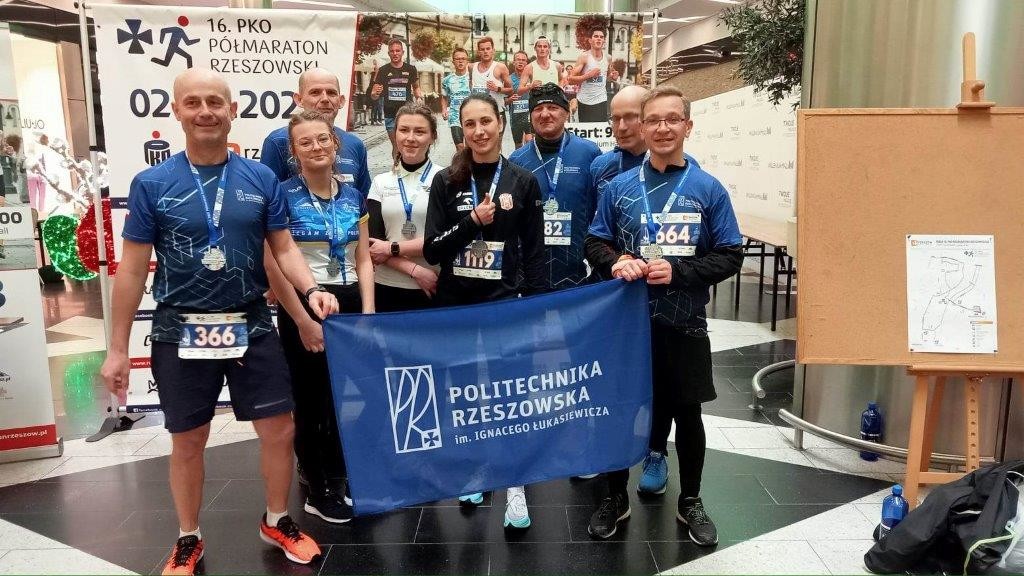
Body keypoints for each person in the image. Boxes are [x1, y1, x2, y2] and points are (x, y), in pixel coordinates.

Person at [100, 68, 336, 575]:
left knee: (280, 429)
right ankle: (188, 537)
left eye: (215, 102)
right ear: (176, 111)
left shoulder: (260, 178)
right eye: (194, 102)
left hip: (251, 323)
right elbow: (133, 269)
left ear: (233, 111)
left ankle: (277, 520)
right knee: (188, 438)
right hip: (179, 329)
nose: (205, 111)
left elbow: (283, 249)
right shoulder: (152, 184)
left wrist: (312, 289)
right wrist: (117, 348)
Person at [584, 85, 742, 544]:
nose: (662, 128)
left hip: (684, 323)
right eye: (653, 119)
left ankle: (690, 500)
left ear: (687, 126)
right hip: (627, 326)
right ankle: (615, 496)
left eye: (673, 119)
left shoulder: (708, 189)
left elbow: (730, 254)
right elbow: (594, 241)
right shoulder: (618, 188)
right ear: (643, 126)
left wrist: (678, 272)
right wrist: (616, 260)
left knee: (688, 415)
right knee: (619, 412)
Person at [422, 93, 545, 529]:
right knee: (466, 394)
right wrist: (472, 222)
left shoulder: (523, 181)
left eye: (486, 121)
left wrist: (534, 307)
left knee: (510, 394)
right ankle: (476, 469)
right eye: (470, 124)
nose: (479, 131)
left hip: (504, 305)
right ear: (462, 130)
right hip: (456, 306)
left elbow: (535, 252)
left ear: (500, 123)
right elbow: (433, 250)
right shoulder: (446, 181)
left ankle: (515, 484)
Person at [263, 110, 374, 526]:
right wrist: (302, 317)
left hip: (349, 301)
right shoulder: (281, 195)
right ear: (293, 151)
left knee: (347, 396)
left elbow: (364, 258)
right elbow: (275, 261)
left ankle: (345, 474)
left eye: (323, 139)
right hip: (305, 302)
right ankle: (317, 488)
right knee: (310, 400)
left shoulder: (354, 195)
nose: (316, 147)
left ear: (335, 143)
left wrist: (368, 312)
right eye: (305, 142)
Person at [509, 83, 601, 290]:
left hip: (577, 271)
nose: (545, 114)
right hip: (530, 274)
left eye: (552, 107)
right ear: (531, 116)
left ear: (566, 112)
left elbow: (600, 210)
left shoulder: (589, 153)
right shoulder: (516, 159)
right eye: (538, 109)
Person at [367, 103, 443, 312]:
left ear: (433, 136)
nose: (410, 138)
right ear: (395, 134)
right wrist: (416, 270)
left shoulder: (446, 179)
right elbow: (373, 244)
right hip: (387, 286)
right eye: (404, 130)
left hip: (433, 285)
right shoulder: (380, 182)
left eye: (419, 132)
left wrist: (390, 248)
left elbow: (445, 238)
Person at [260, 68, 371, 198]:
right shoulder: (278, 141)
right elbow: (268, 198)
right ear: (299, 99)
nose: (325, 99)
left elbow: (364, 199)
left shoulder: (355, 144)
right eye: (315, 92)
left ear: (341, 101)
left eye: (331, 93)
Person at [591, 85, 700, 201]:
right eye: (616, 119)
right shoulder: (600, 165)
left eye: (630, 117)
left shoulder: (688, 165)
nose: (622, 127)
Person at [370, 39, 421, 154]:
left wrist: (419, 97)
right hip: (390, 114)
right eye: (392, 51)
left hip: (407, 113)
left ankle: (408, 163)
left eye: (397, 51)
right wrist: (375, 94)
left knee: (407, 144)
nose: (395, 53)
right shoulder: (383, 70)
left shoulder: (411, 69)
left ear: (403, 52)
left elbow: (416, 87)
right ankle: (397, 165)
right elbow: (373, 95)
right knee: (397, 145)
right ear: (389, 53)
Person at [567, 29, 610, 122]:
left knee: (600, 129)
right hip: (584, 101)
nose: (599, 39)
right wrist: (588, 75)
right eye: (596, 36)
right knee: (586, 130)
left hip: (601, 100)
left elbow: (607, 76)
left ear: (604, 41)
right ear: (590, 40)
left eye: (601, 37)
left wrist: (613, 77)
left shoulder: (608, 58)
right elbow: (570, 80)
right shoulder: (584, 57)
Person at [469, 37, 513, 129]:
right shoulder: (472, 67)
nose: (485, 51)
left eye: (488, 49)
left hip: (497, 112)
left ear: (493, 51)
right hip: (478, 114)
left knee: (496, 139)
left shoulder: (500, 67)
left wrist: (497, 89)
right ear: (478, 52)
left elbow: (510, 90)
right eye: (482, 49)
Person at [440, 48, 472, 153]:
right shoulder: (447, 80)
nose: (460, 61)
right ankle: (461, 163)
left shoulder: (473, 78)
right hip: (454, 117)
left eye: (463, 58)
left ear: (467, 61)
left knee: (470, 147)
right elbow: (444, 97)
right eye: (457, 59)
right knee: (460, 147)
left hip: (471, 116)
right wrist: (444, 109)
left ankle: (470, 163)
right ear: (453, 61)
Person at [506, 51, 533, 148]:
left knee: (529, 141)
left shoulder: (531, 78)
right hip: (515, 118)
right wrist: (510, 100)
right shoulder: (508, 79)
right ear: (514, 62)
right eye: (518, 60)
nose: (521, 62)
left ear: (527, 63)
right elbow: (504, 101)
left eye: (523, 60)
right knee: (518, 146)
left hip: (529, 116)